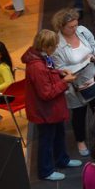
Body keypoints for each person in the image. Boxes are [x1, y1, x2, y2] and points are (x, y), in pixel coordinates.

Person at [22, 30, 80, 181]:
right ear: (46, 46)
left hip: (51, 110)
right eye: (53, 45)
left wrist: (60, 73)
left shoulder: (40, 57)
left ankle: (62, 159)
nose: (55, 47)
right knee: (47, 140)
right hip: (45, 111)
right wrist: (65, 81)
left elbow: (49, 72)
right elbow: (46, 93)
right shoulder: (37, 67)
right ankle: (45, 170)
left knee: (58, 135)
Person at [51, 8, 95, 157]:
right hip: (75, 87)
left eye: (76, 24)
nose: (75, 29)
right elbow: (60, 69)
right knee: (79, 115)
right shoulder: (57, 45)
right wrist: (86, 61)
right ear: (61, 27)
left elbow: (93, 45)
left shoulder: (82, 31)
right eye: (71, 27)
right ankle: (80, 141)